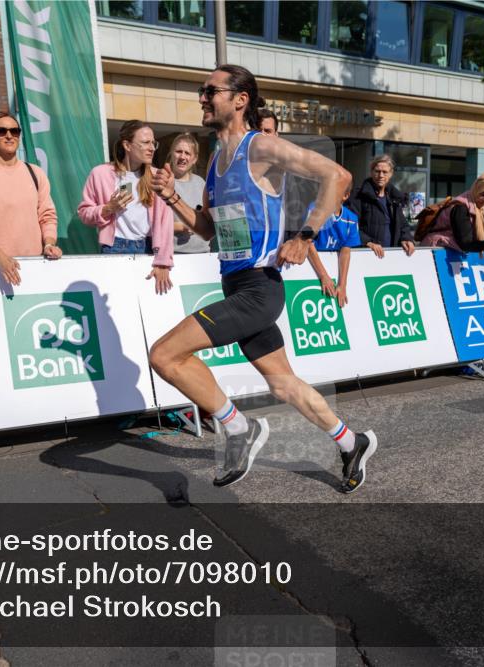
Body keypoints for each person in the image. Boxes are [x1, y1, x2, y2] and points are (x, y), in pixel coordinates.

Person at [149, 64, 377, 493]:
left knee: (164, 355)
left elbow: (338, 176)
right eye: (202, 90)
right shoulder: (217, 162)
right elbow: (210, 231)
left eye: (210, 90)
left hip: (260, 288)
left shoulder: (262, 148)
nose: (202, 97)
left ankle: (237, 428)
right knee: (283, 382)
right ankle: (352, 442)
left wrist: (305, 235)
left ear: (240, 99)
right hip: (236, 283)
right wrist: (172, 197)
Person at [0, 112, 60, 287]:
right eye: (1, 131)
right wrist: (1, 257)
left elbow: (47, 215)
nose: (9, 135)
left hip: (35, 265)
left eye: (14, 131)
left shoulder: (35, 173)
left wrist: (49, 244)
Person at [79, 119, 173, 293]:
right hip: (114, 248)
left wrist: (163, 261)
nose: (151, 147)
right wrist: (107, 208)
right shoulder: (100, 173)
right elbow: (84, 213)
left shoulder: (157, 176)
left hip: (149, 248)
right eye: (145, 143)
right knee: (116, 302)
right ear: (127, 145)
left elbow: (165, 222)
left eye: (153, 143)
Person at [304, 182, 361, 307]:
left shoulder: (351, 218)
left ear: (345, 195)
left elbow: (345, 251)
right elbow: (308, 243)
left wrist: (342, 284)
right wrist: (324, 275)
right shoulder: (314, 210)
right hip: (311, 267)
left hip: (331, 270)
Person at [349, 154, 415, 259]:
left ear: (391, 174)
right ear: (371, 172)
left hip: (391, 256)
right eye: (377, 171)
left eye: (385, 172)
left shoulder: (394, 198)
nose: (381, 175)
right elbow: (350, 225)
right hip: (366, 255)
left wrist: (406, 238)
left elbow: (403, 225)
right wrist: (367, 242)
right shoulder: (358, 196)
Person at [419, 173, 484, 254]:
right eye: (483, 194)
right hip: (435, 251)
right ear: (475, 191)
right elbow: (466, 243)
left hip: (449, 252)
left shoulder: (480, 210)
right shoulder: (461, 208)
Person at [166, 133, 210, 254]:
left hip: (203, 254)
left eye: (187, 153)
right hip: (173, 255)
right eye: (178, 151)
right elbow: (152, 224)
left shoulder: (201, 183)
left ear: (194, 159)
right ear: (171, 153)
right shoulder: (162, 182)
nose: (182, 157)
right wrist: (181, 226)